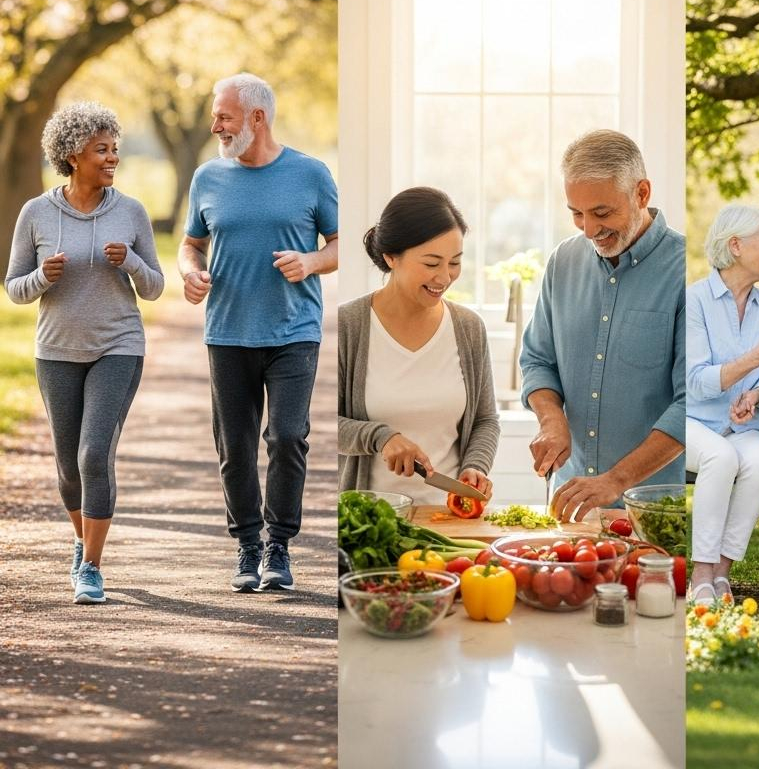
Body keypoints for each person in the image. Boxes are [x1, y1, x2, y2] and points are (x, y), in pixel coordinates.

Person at [178, 73, 337, 592]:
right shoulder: (208, 177)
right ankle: (247, 544)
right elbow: (190, 244)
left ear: (257, 118)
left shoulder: (311, 174)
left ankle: (279, 546)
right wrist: (190, 272)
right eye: (216, 116)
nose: (215, 126)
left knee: (288, 436)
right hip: (227, 332)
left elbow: (338, 244)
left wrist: (310, 262)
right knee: (235, 446)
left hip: (294, 331)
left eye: (223, 116)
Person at [5, 102, 164, 604]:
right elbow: (14, 288)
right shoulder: (36, 213)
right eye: (102, 149)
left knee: (95, 454)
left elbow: (157, 287)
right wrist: (42, 277)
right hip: (55, 351)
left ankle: (91, 567)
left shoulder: (131, 211)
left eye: (115, 148)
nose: (112, 157)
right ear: (73, 155)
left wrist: (133, 262)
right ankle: (81, 541)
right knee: (68, 466)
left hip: (118, 345)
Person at [520, 130, 684, 523]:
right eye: (576, 213)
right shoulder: (563, 262)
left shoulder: (683, 272)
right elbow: (538, 360)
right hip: (572, 504)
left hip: (657, 512)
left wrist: (617, 480)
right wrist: (552, 421)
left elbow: (689, 404)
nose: (589, 229)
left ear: (642, 193)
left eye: (602, 213)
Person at [337, 187, 498, 503]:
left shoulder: (468, 328)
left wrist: (476, 466)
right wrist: (382, 438)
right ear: (391, 257)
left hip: (448, 518)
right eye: (431, 263)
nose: (444, 277)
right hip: (369, 519)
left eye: (454, 262)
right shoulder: (349, 325)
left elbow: (485, 420)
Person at [686, 204, 759, 602]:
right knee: (720, 458)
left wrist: (755, 395)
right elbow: (696, 382)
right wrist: (753, 359)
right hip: (693, 423)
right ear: (735, 246)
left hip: (741, 425)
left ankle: (722, 573)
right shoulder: (695, 300)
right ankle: (701, 574)